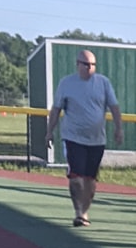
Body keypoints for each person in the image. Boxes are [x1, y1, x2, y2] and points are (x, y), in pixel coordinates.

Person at [46, 48, 122, 227]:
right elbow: (56, 109)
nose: (90, 68)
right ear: (78, 64)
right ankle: (78, 211)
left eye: (93, 64)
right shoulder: (66, 83)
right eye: (86, 64)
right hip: (73, 138)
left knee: (90, 180)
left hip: (96, 140)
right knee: (76, 177)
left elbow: (114, 107)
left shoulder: (103, 83)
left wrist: (119, 129)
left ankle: (85, 212)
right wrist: (50, 131)